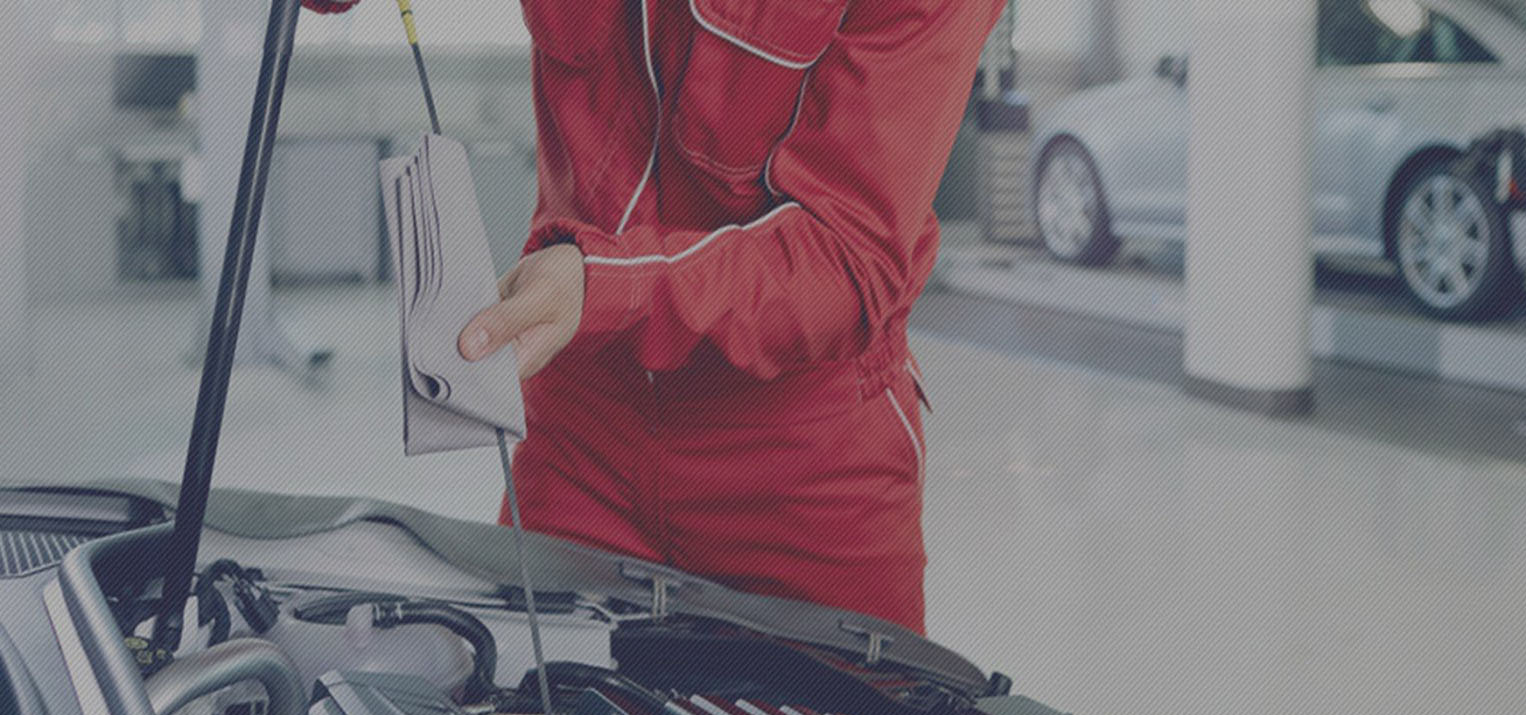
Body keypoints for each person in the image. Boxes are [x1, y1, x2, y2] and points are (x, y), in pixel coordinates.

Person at [308, 0, 1005, 634]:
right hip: (583, 432)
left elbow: (849, 258)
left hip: (799, 463)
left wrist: (603, 285)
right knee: (523, 712)